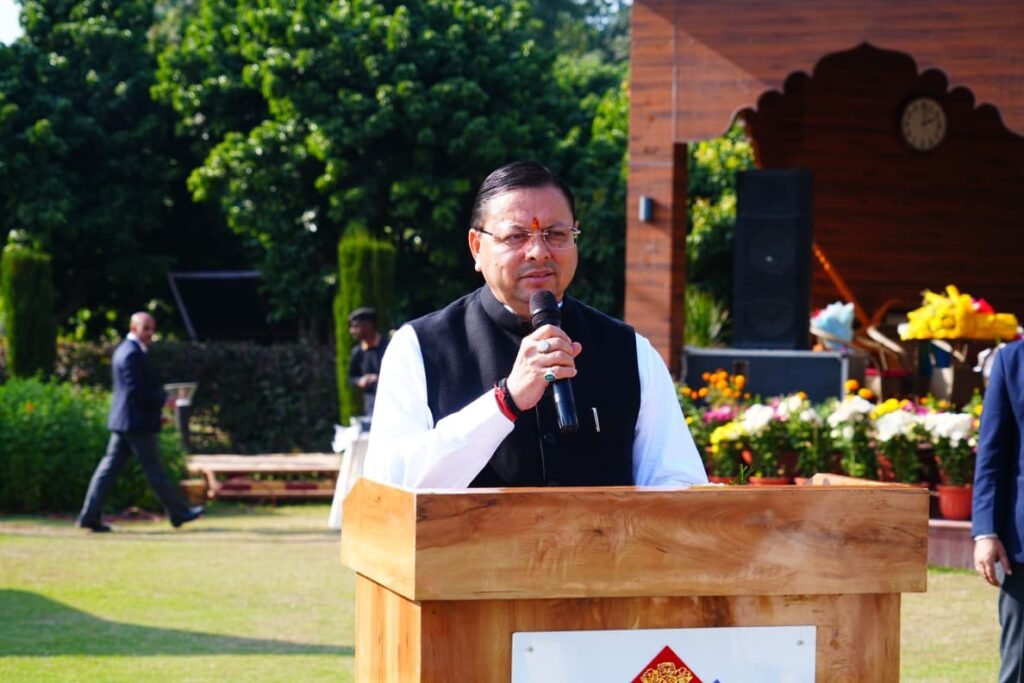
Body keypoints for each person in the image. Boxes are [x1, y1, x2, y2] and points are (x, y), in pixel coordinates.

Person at [364, 160, 708, 489]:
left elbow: (679, 485)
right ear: (476, 248)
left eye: (556, 234)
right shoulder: (420, 347)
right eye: (516, 237)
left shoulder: (629, 351)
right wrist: (505, 401)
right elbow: (390, 487)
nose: (539, 252)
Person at [76, 312, 203, 532]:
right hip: (135, 423)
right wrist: (165, 402)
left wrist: (156, 414)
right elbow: (136, 392)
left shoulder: (126, 350)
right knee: (154, 471)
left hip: (127, 421)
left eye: (152, 328)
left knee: (108, 471)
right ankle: (179, 512)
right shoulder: (131, 354)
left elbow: (132, 394)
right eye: (146, 328)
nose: (150, 333)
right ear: (133, 328)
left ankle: (89, 516)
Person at [973, 338, 1024, 682]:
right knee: (1018, 665)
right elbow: (991, 455)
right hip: (1022, 548)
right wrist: (985, 532)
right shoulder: (1012, 361)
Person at [347, 307, 388, 416]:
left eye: (356, 326)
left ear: (368, 325)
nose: (352, 331)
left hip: (391, 399)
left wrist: (379, 378)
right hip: (371, 404)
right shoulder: (357, 352)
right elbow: (351, 377)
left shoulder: (388, 346)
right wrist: (360, 381)